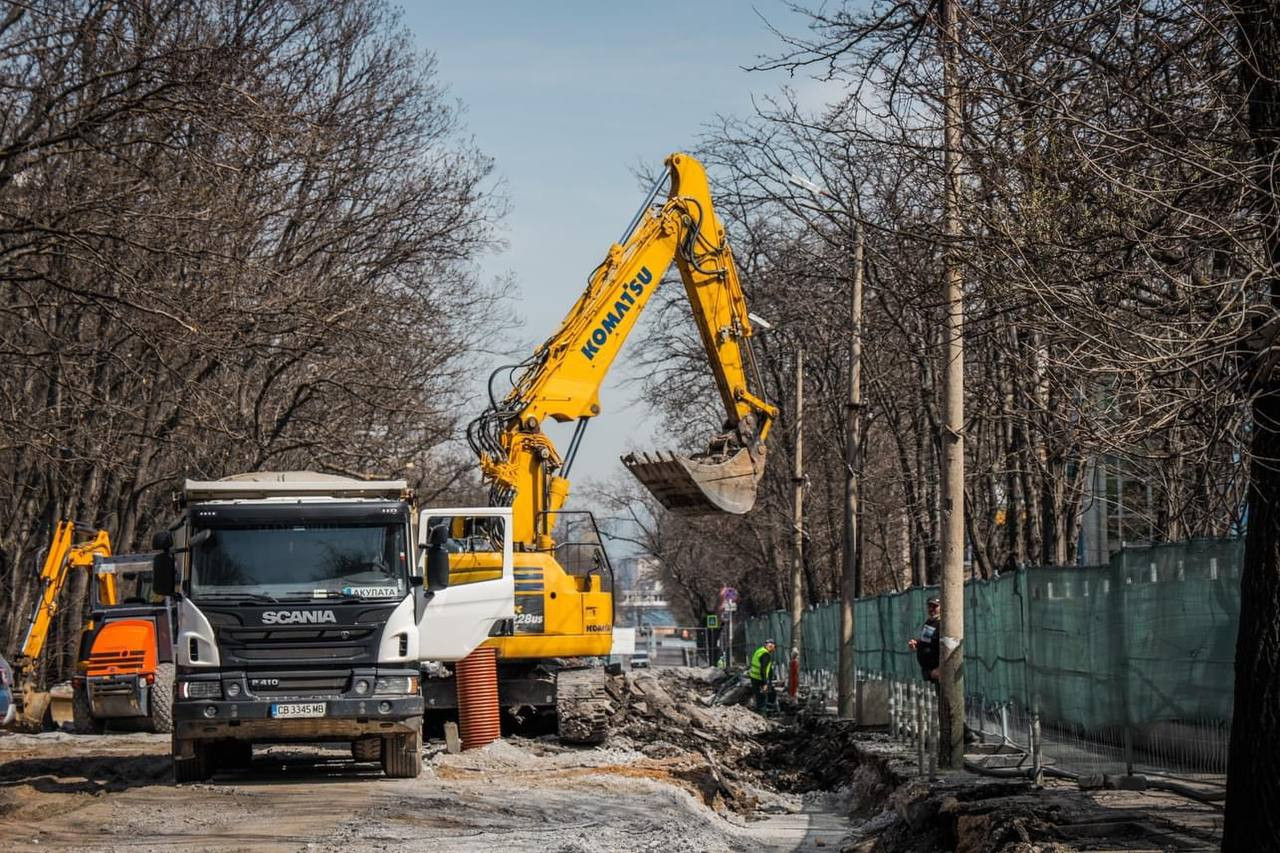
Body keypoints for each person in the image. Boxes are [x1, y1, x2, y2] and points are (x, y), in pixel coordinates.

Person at [907, 597, 941, 682]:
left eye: (935, 606)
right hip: (928, 671)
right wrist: (917, 643)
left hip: (937, 672)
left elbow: (946, 647)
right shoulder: (929, 622)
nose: (931, 609)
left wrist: (940, 668)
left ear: (941, 607)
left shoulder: (942, 624)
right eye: (929, 606)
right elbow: (926, 640)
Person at [749, 638, 777, 712]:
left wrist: (770, 680)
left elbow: (768, 668)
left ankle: (766, 710)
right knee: (761, 697)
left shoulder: (760, 650)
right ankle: (762, 713)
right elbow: (763, 669)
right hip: (759, 678)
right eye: (774, 648)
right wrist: (765, 683)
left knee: (766, 694)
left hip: (754, 677)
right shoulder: (765, 654)